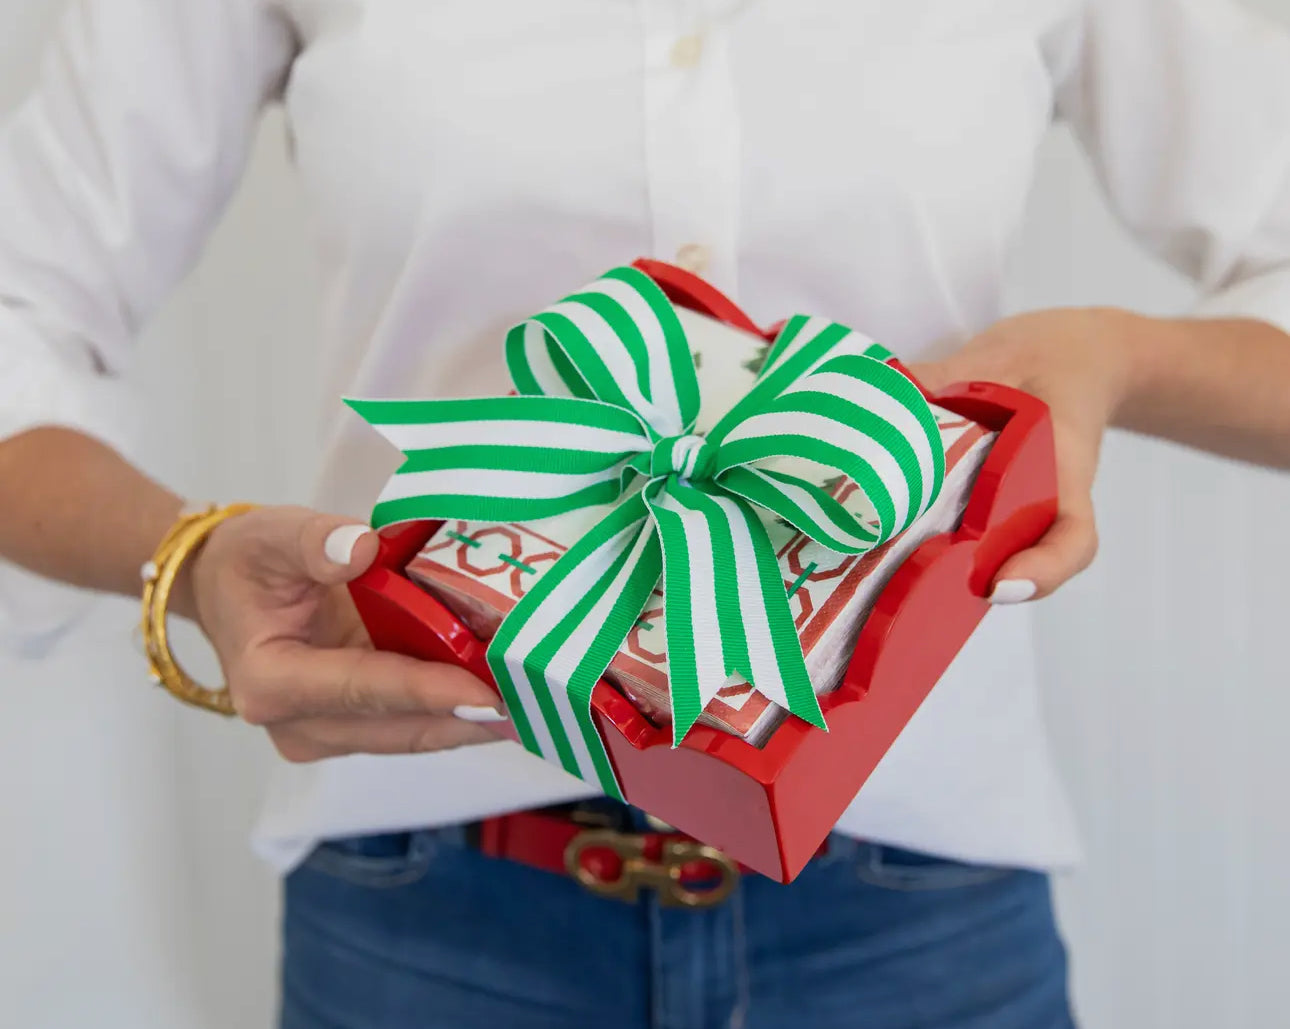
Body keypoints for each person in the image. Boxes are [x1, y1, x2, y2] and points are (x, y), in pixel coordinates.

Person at [2, 0, 1289, 1026]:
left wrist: (1118, 356)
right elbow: (24, 311)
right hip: (431, 905)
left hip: (916, 903)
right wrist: (187, 553)